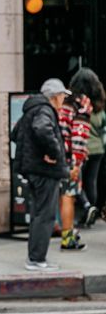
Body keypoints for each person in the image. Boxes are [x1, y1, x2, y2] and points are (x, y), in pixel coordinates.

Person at [12, 78, 69, 271]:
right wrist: (52, 153)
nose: (63, 100)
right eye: (62, 96)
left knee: (38, 214)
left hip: (34, 171)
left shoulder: (31, 110)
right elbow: (42, 129)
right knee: (45, 215)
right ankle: (37, 259)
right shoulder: (45, 110)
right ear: (54, 97)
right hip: (45, 172)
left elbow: (15, 133)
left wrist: (34, 152)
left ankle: (34, 258)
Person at [56, 70, 93, 250]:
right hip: (70, 157)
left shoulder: (64, 100)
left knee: (61, 195)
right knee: (69, 196)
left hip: (57, 154)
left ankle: (64, 230)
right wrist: (77, 162)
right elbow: (78, 134)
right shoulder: (82, 103)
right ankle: (67, 237)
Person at [74, 69, 106, 226]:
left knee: (77, 181)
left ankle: (85, 208)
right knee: (91, 181)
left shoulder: (78, 104)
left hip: (83, 147)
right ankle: (91, 211)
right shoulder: (99, 105)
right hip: (98, 148)